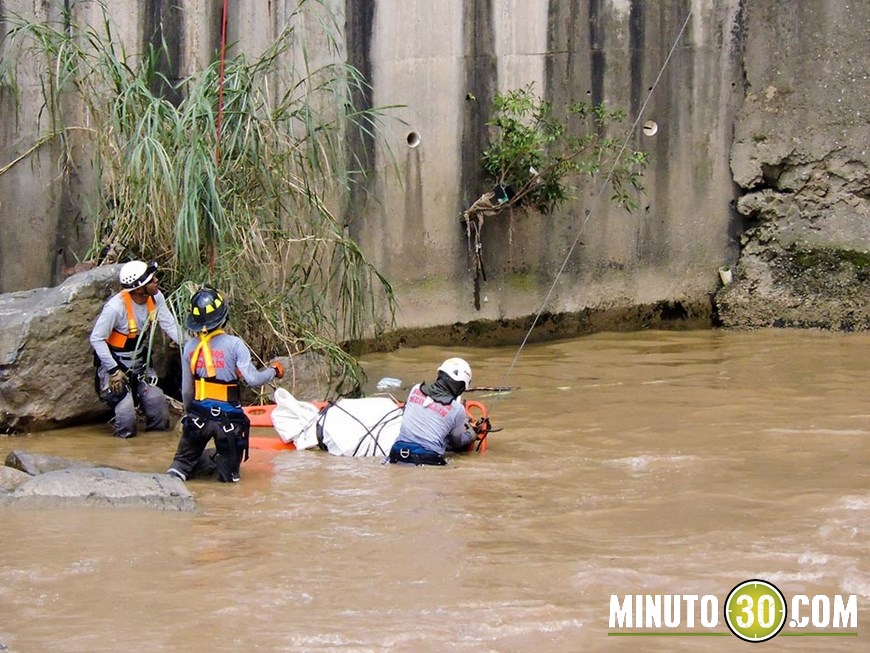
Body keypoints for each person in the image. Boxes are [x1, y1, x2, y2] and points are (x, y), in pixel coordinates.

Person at [167, 287, 283, 483]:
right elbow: (253, 379)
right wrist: (274, 371)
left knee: (179, 467)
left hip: (198, 418)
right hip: (228, 421)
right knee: (229, 480)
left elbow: (187, 390)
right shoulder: (235, 344)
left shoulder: (190, 347)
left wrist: (191, 413)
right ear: (223, 318)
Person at [90, 260, 182, 438]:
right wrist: (113, 370)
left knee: (159, 411)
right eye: (151, 279)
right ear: (139, 289)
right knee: (126, 418)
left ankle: (154, 453)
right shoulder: (115, 308)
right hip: (116, 368)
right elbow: (97, 339)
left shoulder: (156, 298)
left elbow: (170, 326)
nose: (156, 280)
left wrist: (195, 346)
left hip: (140, 366)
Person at [388, 357, 477, 465]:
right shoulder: (457, 409)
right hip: (427, 459)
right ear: (460, 386)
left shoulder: (415, 389)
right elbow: (457, 444)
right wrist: (471, 435)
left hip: (396, 453)